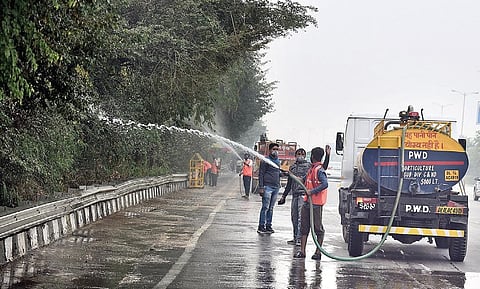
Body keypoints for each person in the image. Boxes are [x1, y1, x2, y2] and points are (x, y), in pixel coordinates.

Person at [278, 145, 330, 246]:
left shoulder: (310, 166)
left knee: (304, 221)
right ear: (295, 155)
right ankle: (295, 238)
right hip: (296, 195)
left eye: (303, 154)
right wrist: (284, 195)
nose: (301, 156)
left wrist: (327, 156)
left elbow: (324, 169)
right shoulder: (293, 167)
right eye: (299, 154)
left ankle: (299, 240)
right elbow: (291, 182)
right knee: (294, 217)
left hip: (307, 197)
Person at [294, 146, 329, 260]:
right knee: (304, 227)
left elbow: (325, 184)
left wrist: (312, 192)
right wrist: (290, 175)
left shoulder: (319, 170)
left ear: (312, 156)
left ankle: (318, 252)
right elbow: (303, 179)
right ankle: (302, 251)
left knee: (317, 228)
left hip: (316, 204)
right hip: (307, 203)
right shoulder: (311, 169)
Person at [257, 143, 282, 234]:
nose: (276, 151)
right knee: (265, 207)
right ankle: (261, 226)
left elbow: (277, 172)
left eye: (277, 149)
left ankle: (268, 226)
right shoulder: (265, 160)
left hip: (276, 187)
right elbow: (261, 173)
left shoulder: (278, 161)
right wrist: (261, 187)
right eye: (274, 149)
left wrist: (282, 174)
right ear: (270, 150)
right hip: (267, 187)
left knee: (271, 208)